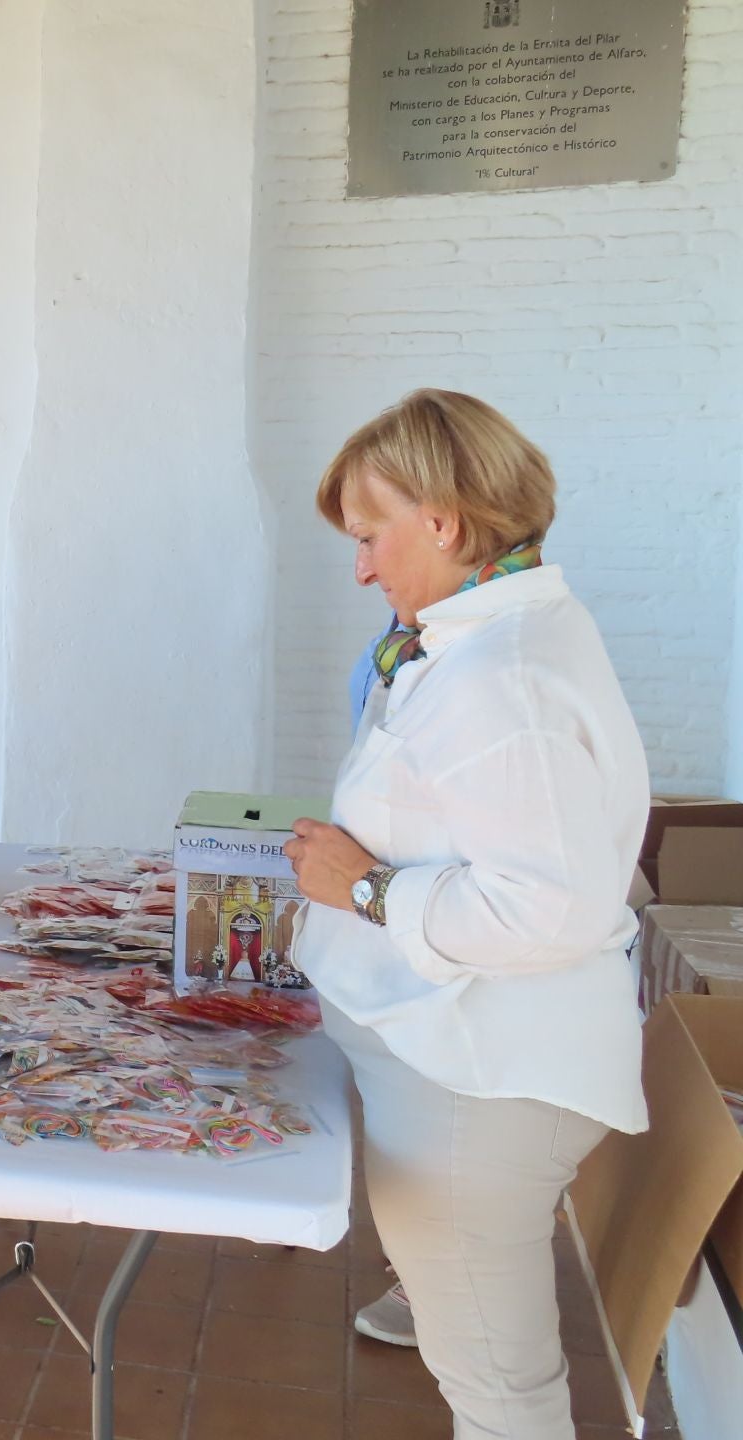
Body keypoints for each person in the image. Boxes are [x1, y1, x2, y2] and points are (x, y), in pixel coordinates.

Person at [284, 389, 649, 1440]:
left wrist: (363, 887)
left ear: (441, 523)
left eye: (369, 537)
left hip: (476, 1084)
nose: (362, 568)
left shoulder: (505, 676)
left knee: (501, 1397)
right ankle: (438, 1287)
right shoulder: (486, 632)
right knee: (479, 1340)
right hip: (454, 1061)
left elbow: (547, 910)